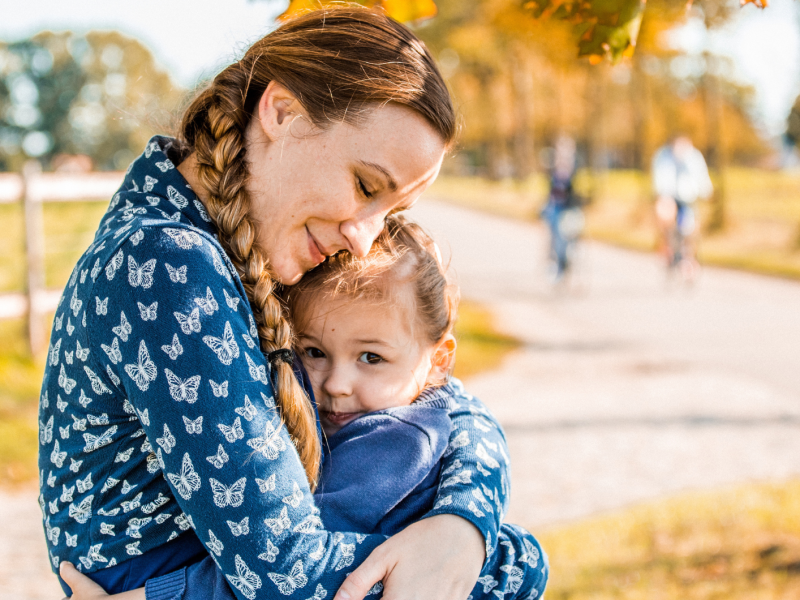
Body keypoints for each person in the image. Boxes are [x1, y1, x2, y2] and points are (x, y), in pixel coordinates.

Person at [37, 7, 524, 600]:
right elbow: (287, 576)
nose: (363, 238)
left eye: (390, 213)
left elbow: (444, 396)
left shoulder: (256, 240)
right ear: (282, 111)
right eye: (366, 186)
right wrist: (515, 563)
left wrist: (463, 527)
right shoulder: (166, 262)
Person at [62, 216, 549, 600]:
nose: (336, 384)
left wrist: (156, 597)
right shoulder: (393, 410)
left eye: (371, 358)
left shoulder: (395, 444)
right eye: (314, 352)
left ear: (438, 359)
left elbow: (293, 572)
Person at [651, 135, 712, 278]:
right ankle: (667, 248)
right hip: (669, 196)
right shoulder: (663, 156)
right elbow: (660, 178)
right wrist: (662, 196)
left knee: (689, 228)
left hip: (687, 198)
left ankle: (689, 257)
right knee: (665, 217)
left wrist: (707, 192)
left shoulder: (694, 157)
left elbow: (701, 176)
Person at [540, 135, 584, 281]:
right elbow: (550, 192)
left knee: (573, 229)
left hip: (569, 207)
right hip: (555, 207)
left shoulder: (576, 168)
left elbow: (578, 192)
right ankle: (555, 262)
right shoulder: (553, 168)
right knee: (553, 231)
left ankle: (569, 257)